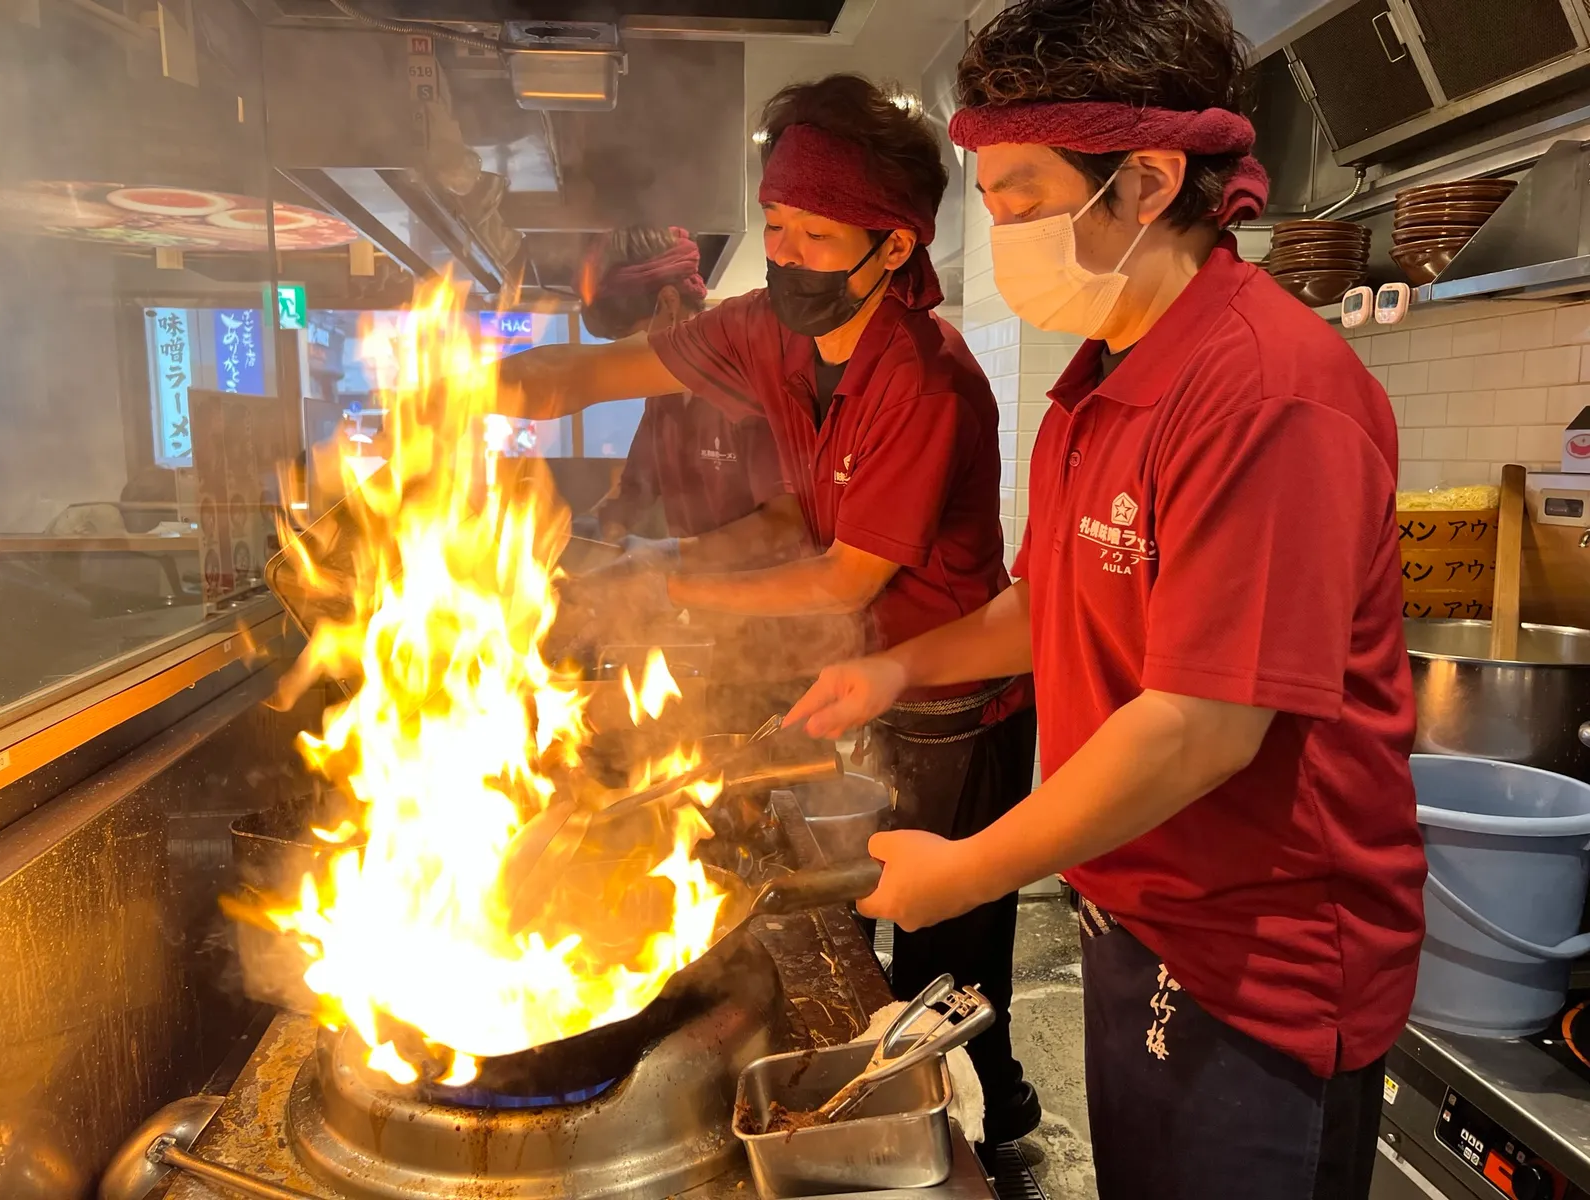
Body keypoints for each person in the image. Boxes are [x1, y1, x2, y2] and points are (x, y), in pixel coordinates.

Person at [785, 4, 1426, 1198]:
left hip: (1259, 964)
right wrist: (893, 668)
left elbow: (1200, 725)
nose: (998, 225)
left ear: (1143, 182)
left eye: (1021, 193)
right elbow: (1053, 602)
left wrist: (967, 869)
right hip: (1138, 908)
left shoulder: (1267, 394)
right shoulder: (1101, 378)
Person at [501, 73, 1043, 1150]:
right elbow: (587, 374)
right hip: (852, 678)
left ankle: (977, 1128)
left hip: (949, 697)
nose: (785, 253)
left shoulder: (924, 379)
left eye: (814, 233)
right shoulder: (767, 335)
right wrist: (450, 393)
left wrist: (656, 584)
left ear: (892, 247)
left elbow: (847, 578)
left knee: (945, 947)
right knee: (840, 931)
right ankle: (864, 1105)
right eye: (777, 226)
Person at [574, 226, 802, 566]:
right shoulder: (661, 391)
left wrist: (672, 555)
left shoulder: (748, 380)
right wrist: (589, 528)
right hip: (704, 608)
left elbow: (785, 525)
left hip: (773, 607)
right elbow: (636, 488)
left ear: (668, 302)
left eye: (628, 340)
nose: (625, 359)